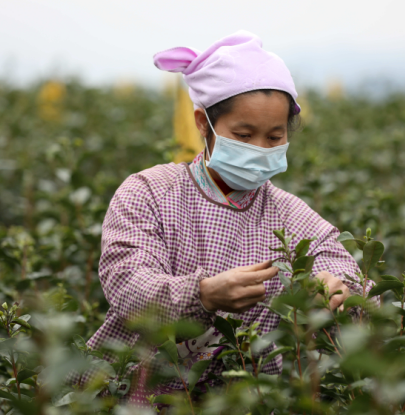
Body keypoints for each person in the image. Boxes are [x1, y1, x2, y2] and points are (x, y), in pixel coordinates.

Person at [79, 30, 378, 409]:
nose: (260, 149)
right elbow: (128, 284)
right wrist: (202, 295)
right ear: (203, 124)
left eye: (274, 136)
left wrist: (340, 289)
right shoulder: (149, 192)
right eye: (243, 134)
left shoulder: (290, 214)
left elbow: (341, 266)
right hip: (126, 397)